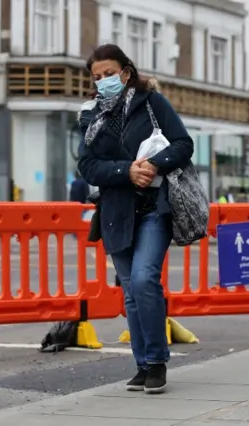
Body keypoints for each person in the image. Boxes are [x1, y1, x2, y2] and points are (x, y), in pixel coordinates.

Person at [77, 44, 194, 394]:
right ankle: (142, 364)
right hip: (115, 211)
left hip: (154, 206)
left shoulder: (151, 101)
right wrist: (124, 171)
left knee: (144, 280)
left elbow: (183, 144)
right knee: (130, 290)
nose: (103, 82)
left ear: (126, 72)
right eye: (97, 77)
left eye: (109, 74)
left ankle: (157, 361)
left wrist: (154, 164)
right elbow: (87, 166)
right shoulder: (90, 115)